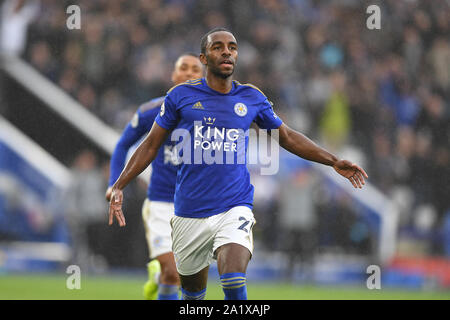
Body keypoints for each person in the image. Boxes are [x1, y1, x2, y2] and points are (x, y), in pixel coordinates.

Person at [108, 27, 368, 300]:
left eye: (232, 47)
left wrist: (333, 160)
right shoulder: (180, 97)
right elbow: (149, 145)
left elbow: (288, 137)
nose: (226, 52)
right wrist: (119, 185)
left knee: (232, 280)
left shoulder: (251, 97)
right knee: (193, 298)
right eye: (217, 47)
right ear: (204, 58)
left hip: (234, 207)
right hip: (188, 212)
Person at [105, 53, 204, 300]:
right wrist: (114, 184)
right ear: (173, 75)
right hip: (160, 203)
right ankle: (162, 275)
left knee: (188, 279)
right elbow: (122, 145)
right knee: (173, 272)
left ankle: (158, 278)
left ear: (203, 78)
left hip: (196, 207)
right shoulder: (151, 111)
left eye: (196, 69)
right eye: (184, 68)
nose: (190, 73)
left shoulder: (213, 113)